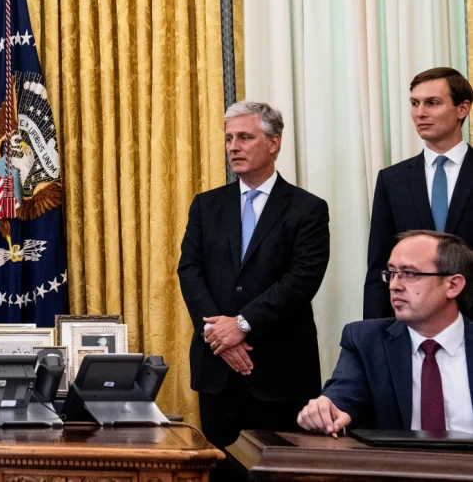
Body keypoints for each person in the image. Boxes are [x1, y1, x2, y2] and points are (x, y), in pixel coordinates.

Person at [177, 101, 330, 481]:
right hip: (218, 371)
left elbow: (301, 280)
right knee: (221, 474)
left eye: (245, 137)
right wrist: (220, 336)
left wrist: (242, 325)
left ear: (274, 143)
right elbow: (189, 271)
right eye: (229, 138)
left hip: (279, 371)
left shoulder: (307, 209)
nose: (234, 146)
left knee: (278, 475)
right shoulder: (206, 205)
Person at [299, 230, 473, 434]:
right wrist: (327, 409)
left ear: (453, 285)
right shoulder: (366, 341)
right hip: (396, 464)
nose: (394, 285)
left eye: (410, 274)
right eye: (391, 274)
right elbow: (343, 395)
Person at [365, 67, 473, 319]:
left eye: (432, 103)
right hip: (412, 324)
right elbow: (379, 265)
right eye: (415, 103)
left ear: (463, 108)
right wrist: (374, 336)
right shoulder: (393, 179)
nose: (420, 113)